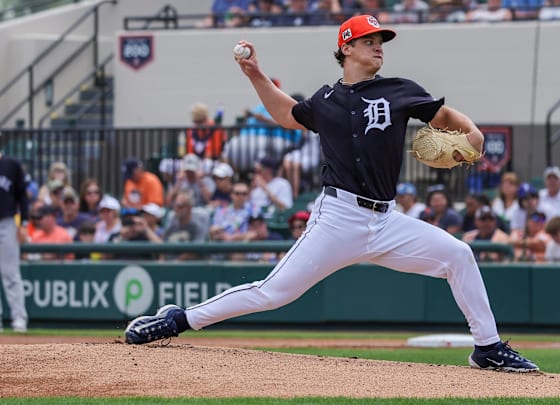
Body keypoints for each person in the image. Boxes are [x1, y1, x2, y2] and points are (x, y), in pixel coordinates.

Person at [124, 15, 539, 372]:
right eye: (369, 41)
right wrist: (255, 75)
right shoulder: (325, 100)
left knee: (458, 255)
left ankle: (488, 348)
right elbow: (286, 113)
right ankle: (179, 320)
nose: (378, 48)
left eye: (381, 42)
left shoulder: (397, 90)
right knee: (274, 293)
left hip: (387, 220)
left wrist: (472, 131)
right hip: (338, 218)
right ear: (347, 47)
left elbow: (443, 115)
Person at [0, 153, 29, 333]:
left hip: (7, 222)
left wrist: (24, 223)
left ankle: (19, 318)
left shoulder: (11, 164)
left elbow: (22, 196)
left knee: (10, 272)